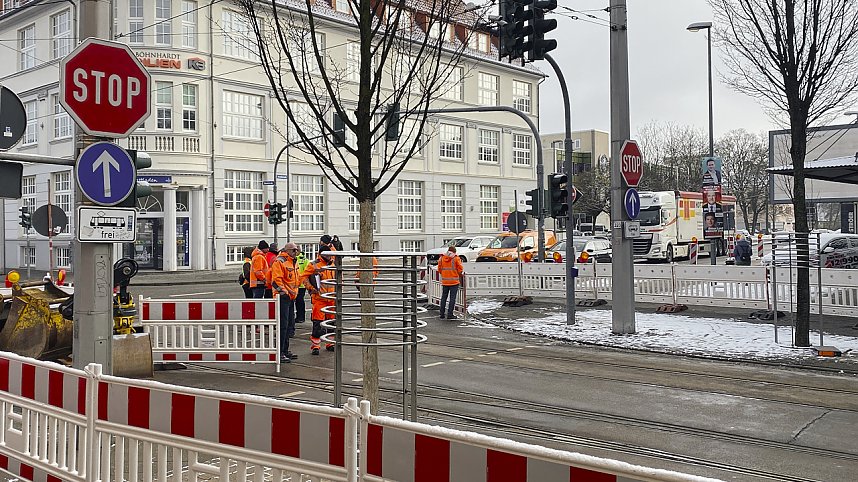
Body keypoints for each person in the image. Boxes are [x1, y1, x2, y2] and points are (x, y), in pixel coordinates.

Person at [301, 248, 336, 354]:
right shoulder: (314, 264)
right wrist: (311, 288)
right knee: (318, 323)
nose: (329, 256)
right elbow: (303, 277)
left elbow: (339, 278)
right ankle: (316, 345)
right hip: (319, 298)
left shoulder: (333, 264)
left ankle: (330, 342)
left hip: (332, 298)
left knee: (331, 323)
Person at [271, 243, 301, 363]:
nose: (296, 252)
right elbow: (276, 281)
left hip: (290, 297)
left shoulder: (293, 262)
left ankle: (285, 350)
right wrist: (285, 293)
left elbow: (296, 279)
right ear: (287, 250)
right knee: (282, 326)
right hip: (282, 297)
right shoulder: (280, 262)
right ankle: (280, 352)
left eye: (297, 250)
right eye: (294, 250)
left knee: (289, 325)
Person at [437, 246, 465, 320]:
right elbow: (460, 269)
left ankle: (442, 314)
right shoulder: (456, 258)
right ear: (454, 252)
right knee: (452, 298)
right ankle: (450, 314)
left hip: (445, 281)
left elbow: (439, 269)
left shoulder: (442, 258)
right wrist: (459, 274)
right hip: (454, 282)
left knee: (444, 298)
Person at [294, 248, 310, 324]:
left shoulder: (301, 260)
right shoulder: (303, 260)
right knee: (298, 301)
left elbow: (306, 272)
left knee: (299, 301)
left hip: (300, 285)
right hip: (298, 284)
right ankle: (300, 317)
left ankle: (300, 317)